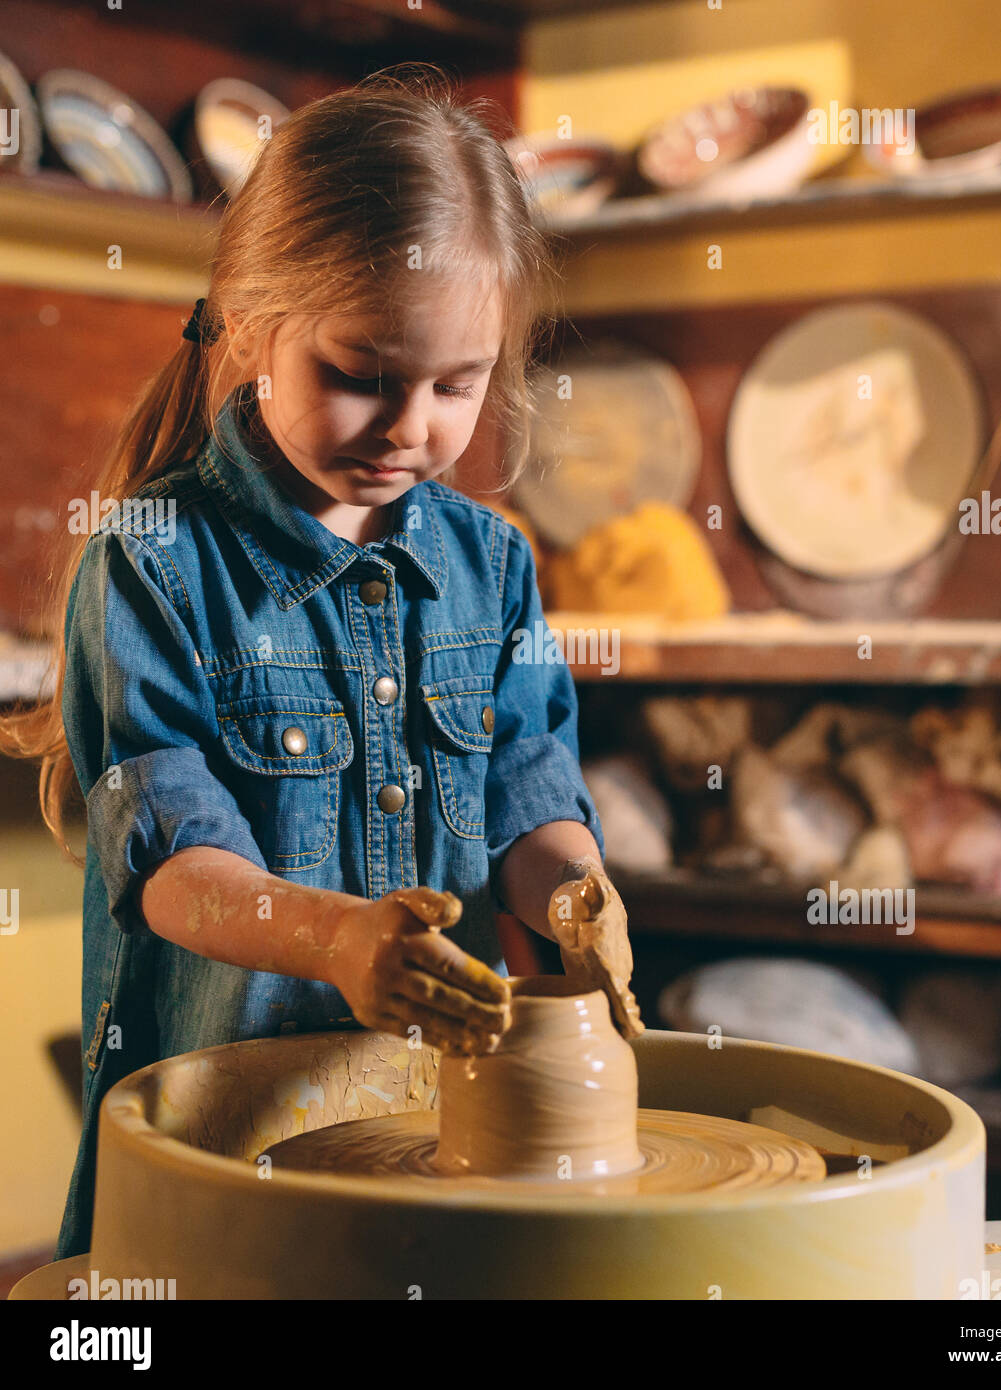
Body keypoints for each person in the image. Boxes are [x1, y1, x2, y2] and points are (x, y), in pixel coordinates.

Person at [0, 66, 641, 1262]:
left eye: (456, 384)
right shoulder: (155, 563)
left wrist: (572, 893)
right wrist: (340, 939)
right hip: (218, 1136)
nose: (410, 425)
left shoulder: (491, 564)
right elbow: (175, 873)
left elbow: (523, 789)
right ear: (253, 328)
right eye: (361, 376)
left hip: (430, 1124)